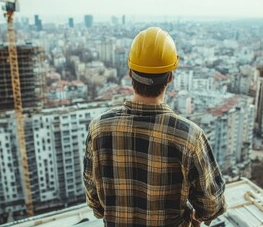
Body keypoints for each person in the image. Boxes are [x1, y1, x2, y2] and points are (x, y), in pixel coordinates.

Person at [84, 27, 226, 227]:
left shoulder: (99, 128)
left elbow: (95, 199)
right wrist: (197, 216)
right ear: (170, 77)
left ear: (130, 73)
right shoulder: (189, 137)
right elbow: (211, 205)